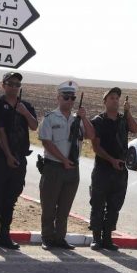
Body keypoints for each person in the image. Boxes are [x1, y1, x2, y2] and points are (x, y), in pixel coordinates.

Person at [0, 71, 38, 250]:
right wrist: (8, 155)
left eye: (17, 84)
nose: (14, 87)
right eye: (11, 84)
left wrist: (25, 112)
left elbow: (34, 126)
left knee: (10, 198)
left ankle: (5, 235)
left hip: (19, 158)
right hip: (1, 159)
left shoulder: (26, 105)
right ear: (3, 85)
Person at [39, 80, 92, 250]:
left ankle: (60, 238)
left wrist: (84, 117)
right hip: (54, 167)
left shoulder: (78, 120)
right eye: (66, 97)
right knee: (49, 206)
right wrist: (63, 160)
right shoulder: (50, 118)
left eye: (72, 98)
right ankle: (47, 237)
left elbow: (91, 135)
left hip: (72, 169)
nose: (69, 100)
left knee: (64, 207)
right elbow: (47, 142)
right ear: (58, 98)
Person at [88, 87, 137, 251]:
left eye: (117, 98)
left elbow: (135, 129)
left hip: (120, 171)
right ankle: (96, 238)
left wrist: (128, 112)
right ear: (105, 101)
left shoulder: (123, 119)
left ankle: (107, 238)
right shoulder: (99, 121)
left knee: (114, 206)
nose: (115, 101)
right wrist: (111, 160)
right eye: (111, 98)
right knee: (98, 204)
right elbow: (96, 147)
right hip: (103, 169)